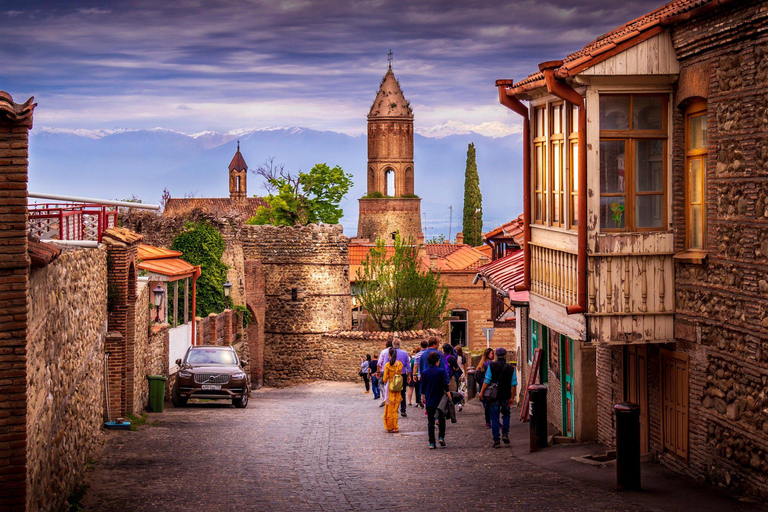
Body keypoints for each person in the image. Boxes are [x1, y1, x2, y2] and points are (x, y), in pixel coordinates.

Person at [479, 347, 518, 448]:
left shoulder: (492, 366)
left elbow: (487, 380)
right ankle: (505, 434)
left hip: (494, 396)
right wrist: (512, 397)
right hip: (506, 395)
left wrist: (482, 392)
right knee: (506, 415)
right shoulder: (510, 368)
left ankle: (496, 440)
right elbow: (514, 384)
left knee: (495, 417)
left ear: (496, 355)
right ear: (505, 355)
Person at [420, 351, 449, 449]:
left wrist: (422, 397)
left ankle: (432, 442)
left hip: (429, 398)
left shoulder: (424, 372)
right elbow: (445, 384)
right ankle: (441, 436)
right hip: (440, 398)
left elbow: (422, 387)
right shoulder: (441, 371)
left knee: (430, 421)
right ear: (437, 361)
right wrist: (449, 395)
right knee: (441, 419)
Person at [382, 347, 404, 433]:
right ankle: (395, 426)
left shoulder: (388, 365)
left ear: (389, 355)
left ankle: (390, 426)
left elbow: (384, 379)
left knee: (390, 407)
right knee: (395, 408)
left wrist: (388, 377)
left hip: (390, 387)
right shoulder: (400, 364)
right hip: (397, 387)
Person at [476, 348, 495, 428]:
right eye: (492, 353)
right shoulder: (490, 364)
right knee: (492, 405)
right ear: (488, 355)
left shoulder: (481, 364)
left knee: (486, 406)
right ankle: (494, 420)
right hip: (488, 386)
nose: (493, 355)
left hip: (481, 386)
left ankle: (488, 422)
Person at [392, 338, 411, 417]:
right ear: (400, 345)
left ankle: (395, 410)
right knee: (403, 393)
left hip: (393, 375)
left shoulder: (390, 353)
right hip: (402, 374)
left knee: (394, 393)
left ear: (393, 344)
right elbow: (408, 365)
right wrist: (409, 375)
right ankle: (403, 409)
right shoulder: (404, 353)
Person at [376, 340, 393, 407]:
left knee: (381, 383)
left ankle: (384, 397)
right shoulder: (395, 351)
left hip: (384, 371)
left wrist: (378, 371)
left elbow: (379, 362)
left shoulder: (383, 351)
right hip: (393, 371)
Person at [411, 340, 427, 409]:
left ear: (421, 346)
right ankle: (427, 401)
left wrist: (414, 375)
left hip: (420, 374)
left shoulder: (417, 355)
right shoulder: (429, 353)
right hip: (428, 374)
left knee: (421, 388)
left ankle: (421, 402)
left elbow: (415, 366)